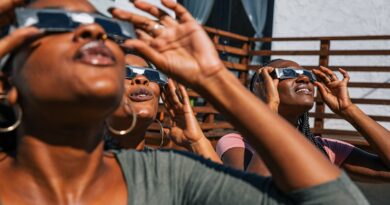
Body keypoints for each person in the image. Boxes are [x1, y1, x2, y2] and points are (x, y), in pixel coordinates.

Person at [0, 0, 367, 204]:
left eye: (109, 30)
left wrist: (212, 78)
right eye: (56, 22)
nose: (93, 30)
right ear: (8, 81)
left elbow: (333, 201)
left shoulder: (168, 178)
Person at [217, 59, 390, 182]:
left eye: (306, 74)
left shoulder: (323, 149)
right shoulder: (238, 143)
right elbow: (249, 195)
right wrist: (270, 109)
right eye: (287, 73)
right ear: (261, 89)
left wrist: (348, 110)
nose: (305, 78)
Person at [105, 53, 221, 163]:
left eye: (150, 75)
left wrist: (197, 141)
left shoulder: (169, 167)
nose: (142, 79)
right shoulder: (88, 162)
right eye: (125, 71)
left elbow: (228, 184)